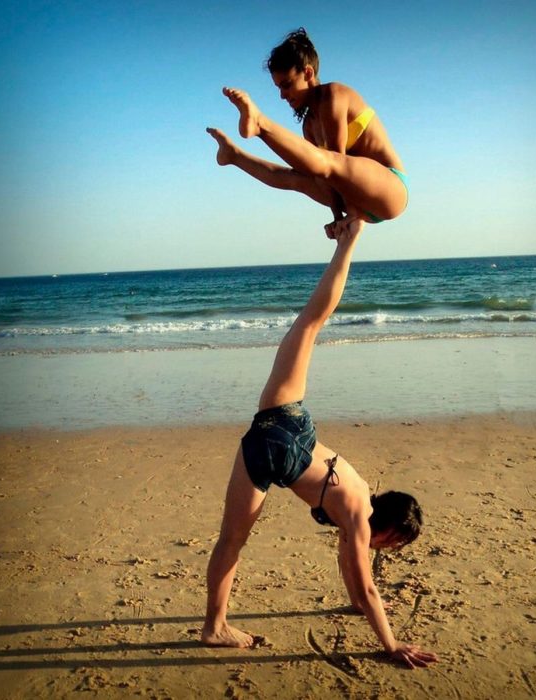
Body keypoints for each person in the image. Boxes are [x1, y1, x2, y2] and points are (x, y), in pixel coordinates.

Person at [201, 221, 437, 669]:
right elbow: (367, 585)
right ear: (390, 530)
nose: (391, 550)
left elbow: (353, 573)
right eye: (397, 544)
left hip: (281, 435)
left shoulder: (360, 498)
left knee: (310, 325)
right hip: (283, 440)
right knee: (312, 321)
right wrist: (391, 644)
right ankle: (348, 242)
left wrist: (355, 604)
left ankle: (216, 625)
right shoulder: (358, 518)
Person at [206, 28, 409, 238]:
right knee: (296, 178)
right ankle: (234, 156)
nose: (282, 95)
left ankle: (260, 124)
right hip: (356, 202)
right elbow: (329, 179)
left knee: (328, 163)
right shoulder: (309, 125)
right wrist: (337, 218)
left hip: (390, 191)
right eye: (278, 88)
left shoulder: (334, 95)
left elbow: (338, 163)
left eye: (287, 85)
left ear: (308, 73)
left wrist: (350, 215)